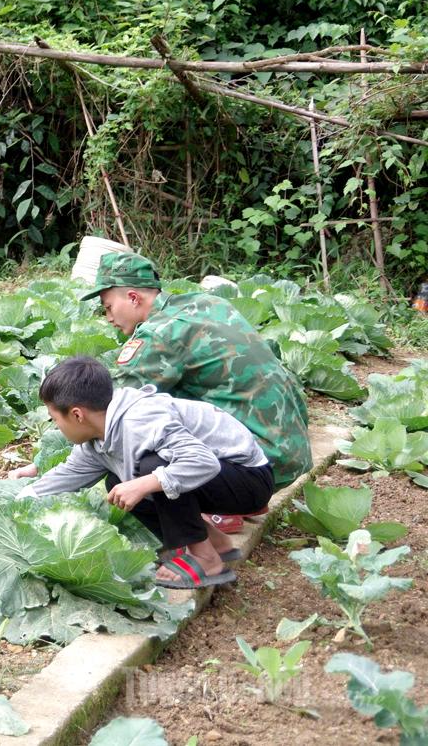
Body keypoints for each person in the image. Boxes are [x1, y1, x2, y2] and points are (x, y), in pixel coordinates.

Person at [81, 252, 311, 530]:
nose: (108, 318)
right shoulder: (208, 303)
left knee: (138, 446)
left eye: (107, 307)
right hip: (291, 449)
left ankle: (219, 513)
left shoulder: (158, 334)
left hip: (255, 463)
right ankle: (237, 498)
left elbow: (112, 414)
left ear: (133, 298)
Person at [15, 357, 275, 589]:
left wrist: (143, 484)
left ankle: (206, 560)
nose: (56, 426)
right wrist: (20, 497)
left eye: (54, 418)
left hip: (248, 478)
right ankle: (215, 543)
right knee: (117, 482)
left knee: (150, 469)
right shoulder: (96, 439)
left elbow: (204, 462)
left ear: (77, 415)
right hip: (217, 479)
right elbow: (69, 474)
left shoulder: (140, 421)